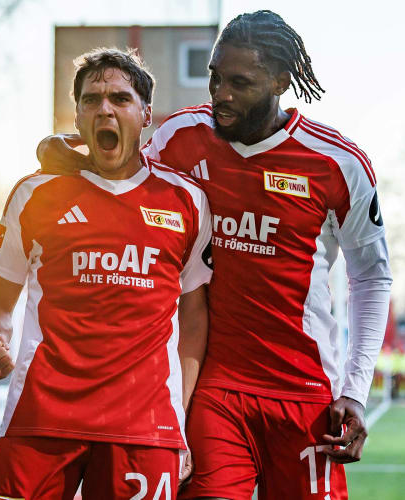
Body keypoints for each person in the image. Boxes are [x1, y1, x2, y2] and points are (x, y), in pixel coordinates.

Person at [37, 11, 392, 500]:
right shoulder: (181, 137)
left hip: (304, 394)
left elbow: (372, 277)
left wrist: (354, 389)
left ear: (280, 82)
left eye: (239, 83)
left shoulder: (338, 163)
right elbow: (122, 179)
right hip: (215, 389)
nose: (220, 94)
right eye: (215, 76)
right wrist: (64, 156)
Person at [0, 48, 212, 499]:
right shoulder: (34, 193)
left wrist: (177, 417)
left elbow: (194, 318)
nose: (105, 108)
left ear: (146, 115)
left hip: (144, 427)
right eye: (91, 99)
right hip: (41, 419)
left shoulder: (186, 201)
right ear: (78, 115)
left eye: (120, 99)